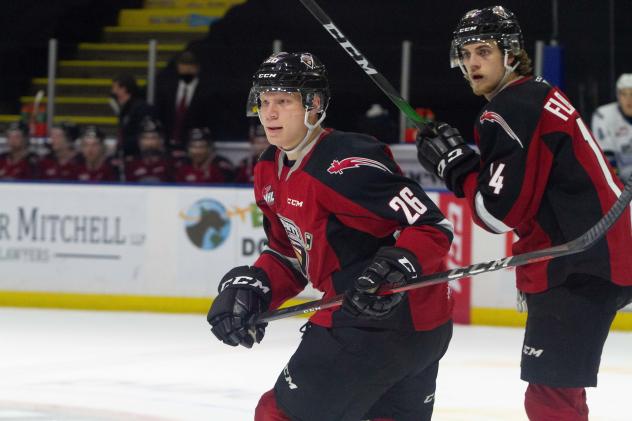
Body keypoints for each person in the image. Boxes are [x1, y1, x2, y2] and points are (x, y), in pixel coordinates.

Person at [207, 51, 454, 421]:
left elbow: (432, 226)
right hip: (407, 330)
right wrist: (256, 286)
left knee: (279, 414)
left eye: (283, 101)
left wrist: (395, 267)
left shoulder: (346, 163)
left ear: (314, 105)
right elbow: (287, 254)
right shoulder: (268, 169)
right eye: (264, 100)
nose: (269, 113)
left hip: (376, 323)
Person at [414, 6, 632, 420]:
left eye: (483, 51)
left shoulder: (510, 108)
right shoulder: (535, 94)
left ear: (511, 54)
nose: (472, 63)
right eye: (465, 54)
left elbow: (499, 214)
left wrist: (455, 168)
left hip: (576, 265)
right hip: (596, 259)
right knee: (559, 393)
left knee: (551, 399)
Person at [155, 51, 214, 157]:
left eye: (190, 66)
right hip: (168, 146)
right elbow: (162, 115)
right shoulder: (168, 89)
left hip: (194, 148)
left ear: (197, 68)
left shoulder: (206, 93)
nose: (186, 70)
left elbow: (209, 120)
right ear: (178, 68)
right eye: (183, 66)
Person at [591, 73, 632, 181]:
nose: (629, 99)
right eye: (624, 94)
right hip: (619, 182)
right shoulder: (603, 115)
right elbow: (607, 160)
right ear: (618, 96)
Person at [111, 74, 154, 158]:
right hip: (126, 155)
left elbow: (143, 135)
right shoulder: (125, 109)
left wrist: (123, 145)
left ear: (123, 89)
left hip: (137, 157)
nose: (112, 92)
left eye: (114, 88)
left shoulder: (141, 108)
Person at [125, 117, 173, 183]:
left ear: (161, 141)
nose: (149, 143)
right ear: (139, 141)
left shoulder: (170, 165)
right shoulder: (130, 165)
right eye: (145, 138)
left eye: (153, 138)